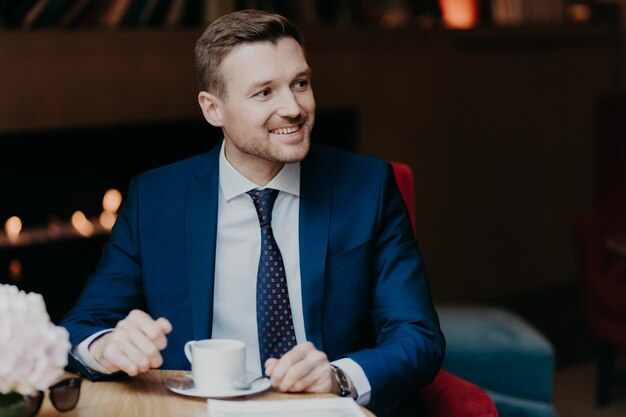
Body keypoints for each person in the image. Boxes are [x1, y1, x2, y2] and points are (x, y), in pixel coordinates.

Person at [60, 9, 445, 417]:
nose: (293, 108)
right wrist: (106, 347)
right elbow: (81, 326)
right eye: (264, 92)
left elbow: (417, 335)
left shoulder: (368, 186)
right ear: (213, 109)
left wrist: (339, 377)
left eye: (300, 83)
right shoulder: (155, 198)